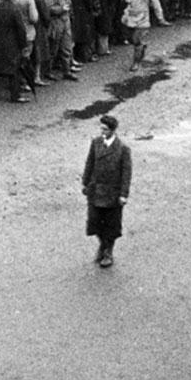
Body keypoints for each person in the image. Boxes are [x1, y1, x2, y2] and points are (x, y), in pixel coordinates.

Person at [81, 115, 132, 269]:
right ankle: (103, 244)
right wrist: (85, 182)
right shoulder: (96, 143)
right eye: (101, 128)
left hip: (112, 193)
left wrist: (123, 194)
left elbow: (126, 173)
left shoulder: (122, 149)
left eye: (105, 129)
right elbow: (90, 162)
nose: (102, 131)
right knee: (95, 222)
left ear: (113, 130)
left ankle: (108, 251)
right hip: (96, 190)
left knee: (111, 225)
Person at [120, 0, 168, 72]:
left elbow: (156, 4)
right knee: (131, 38)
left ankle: (135, 63)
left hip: (142, 18)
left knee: (136, 40)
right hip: (130, 17)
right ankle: (142, 46)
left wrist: (160, 18)